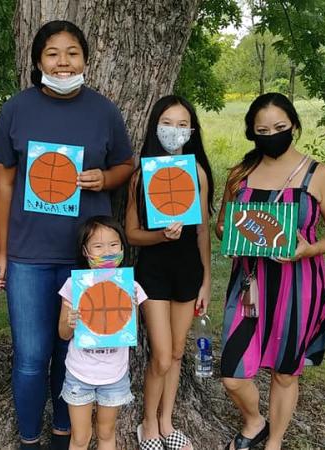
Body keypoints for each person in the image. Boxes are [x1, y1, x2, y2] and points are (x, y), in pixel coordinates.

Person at [0, 20, 135, 449]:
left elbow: (126, 166)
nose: (63, 62)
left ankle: (64, 433)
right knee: (32, 358)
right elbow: (4, 186)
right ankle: (29, 437)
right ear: (37, 60)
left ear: (86, 59)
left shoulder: (104, 110)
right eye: (53, 53)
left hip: (87, 258)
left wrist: (103, 179)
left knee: (76, 354)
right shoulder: (16, 109)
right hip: (29, 256)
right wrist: (2, 252)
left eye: (72, 52)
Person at [215, 93, 325, 450]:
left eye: (279, 127)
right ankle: (254, 421)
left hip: (298, 284)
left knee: (285, 371)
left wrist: (309, 248)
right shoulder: (240, 174)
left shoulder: (319, 175)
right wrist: (237, 232)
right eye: (262, 129)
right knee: (231, 374)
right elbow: (221, 227)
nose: (271, 134)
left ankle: (274, 441)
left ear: (293, 126)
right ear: (252, 132)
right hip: (249, 283)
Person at [125, 95, 214, 450]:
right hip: (153, 272)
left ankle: (167, 421)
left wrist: (206, 280)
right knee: (161, 354)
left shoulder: (198, 173)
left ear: (191, 131)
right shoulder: (140, 175)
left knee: (177, 353)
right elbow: (131, 233)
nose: (174, 131)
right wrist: (160, 235)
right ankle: (147, 424)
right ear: (154, 126)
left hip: (188, 271)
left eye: (182, 125)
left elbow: (204, 231)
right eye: (167, 123)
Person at [57, 216, 147, 450]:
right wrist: (70, 320)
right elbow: (64, 334)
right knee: (79, 438)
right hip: (79, 373)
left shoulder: (131, 287)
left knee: (107, 433)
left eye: (113, 245)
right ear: (85, 251)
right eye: (98, 246)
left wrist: (132, 307)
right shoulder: (73, 286)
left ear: (122, 248)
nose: (107, 252)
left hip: (114, 376)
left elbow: (130, 333)